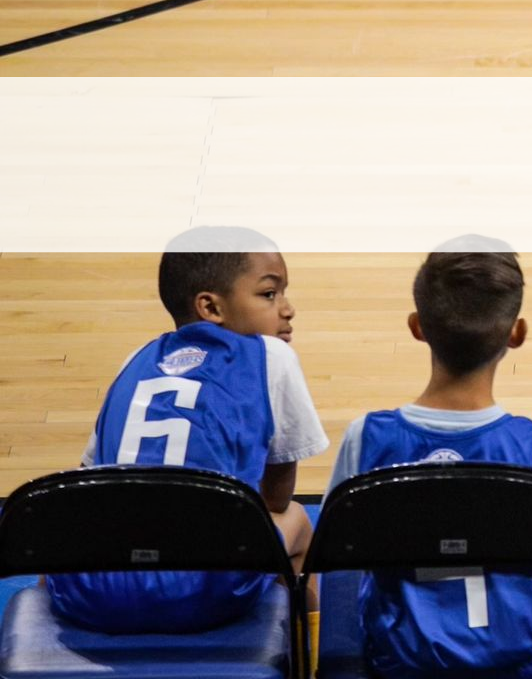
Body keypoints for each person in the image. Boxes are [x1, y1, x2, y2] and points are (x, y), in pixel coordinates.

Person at [326, 245, 532, 679]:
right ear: (517, 333)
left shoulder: (365, 437)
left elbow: (341, 554)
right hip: (522, 659)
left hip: (401, 659)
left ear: (417, 328)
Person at [47, 230, 328, 632]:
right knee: (296, 519)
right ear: (211, 306)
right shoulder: (271, 356)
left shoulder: (135, 359)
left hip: (95, 594)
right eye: (269, 294)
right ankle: (305, 653)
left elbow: (88, 479)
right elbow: (276, 497)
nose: (288, 309)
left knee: (58, 559)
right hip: (203, 595)